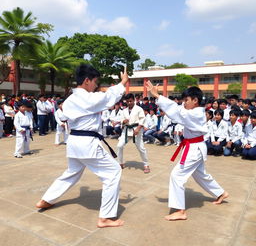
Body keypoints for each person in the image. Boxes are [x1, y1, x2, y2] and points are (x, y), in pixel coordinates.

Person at [36, 64, 128, 228]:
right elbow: (107, 98)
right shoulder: (86, 98)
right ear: (87, 80)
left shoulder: (71, 99)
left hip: (74, 143)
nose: (96, 85)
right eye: (95, 81)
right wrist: (122, 83)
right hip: (87, 143)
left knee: (72, 173)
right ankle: (106, 217)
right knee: (113, 173)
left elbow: (63, 115)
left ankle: (46, 200)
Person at [146, 82, 228, 221]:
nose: (183, 103)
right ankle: (221, 193)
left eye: (186, 101)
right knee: (200, 174)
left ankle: (180, 210)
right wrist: (158, 97)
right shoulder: (193, 111)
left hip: (194, 148)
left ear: (195, 100)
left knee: (177, 176)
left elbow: (177, 111)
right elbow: (177, 109)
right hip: (194, 147)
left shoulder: (196, 113)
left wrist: (158, 96)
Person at [116, 93, 150, 173]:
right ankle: (120, 163)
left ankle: (146, 164)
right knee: (119, 146)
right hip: (126, 130)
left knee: (141, 148)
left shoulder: (139, 109)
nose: (129, 103)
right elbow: (121, 119)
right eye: (127, 101)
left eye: (130, 101)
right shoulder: (124, 110)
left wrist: (138, 128)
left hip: (136, 130)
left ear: (134, 100)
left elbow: (142, 119)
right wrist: (123, 121)